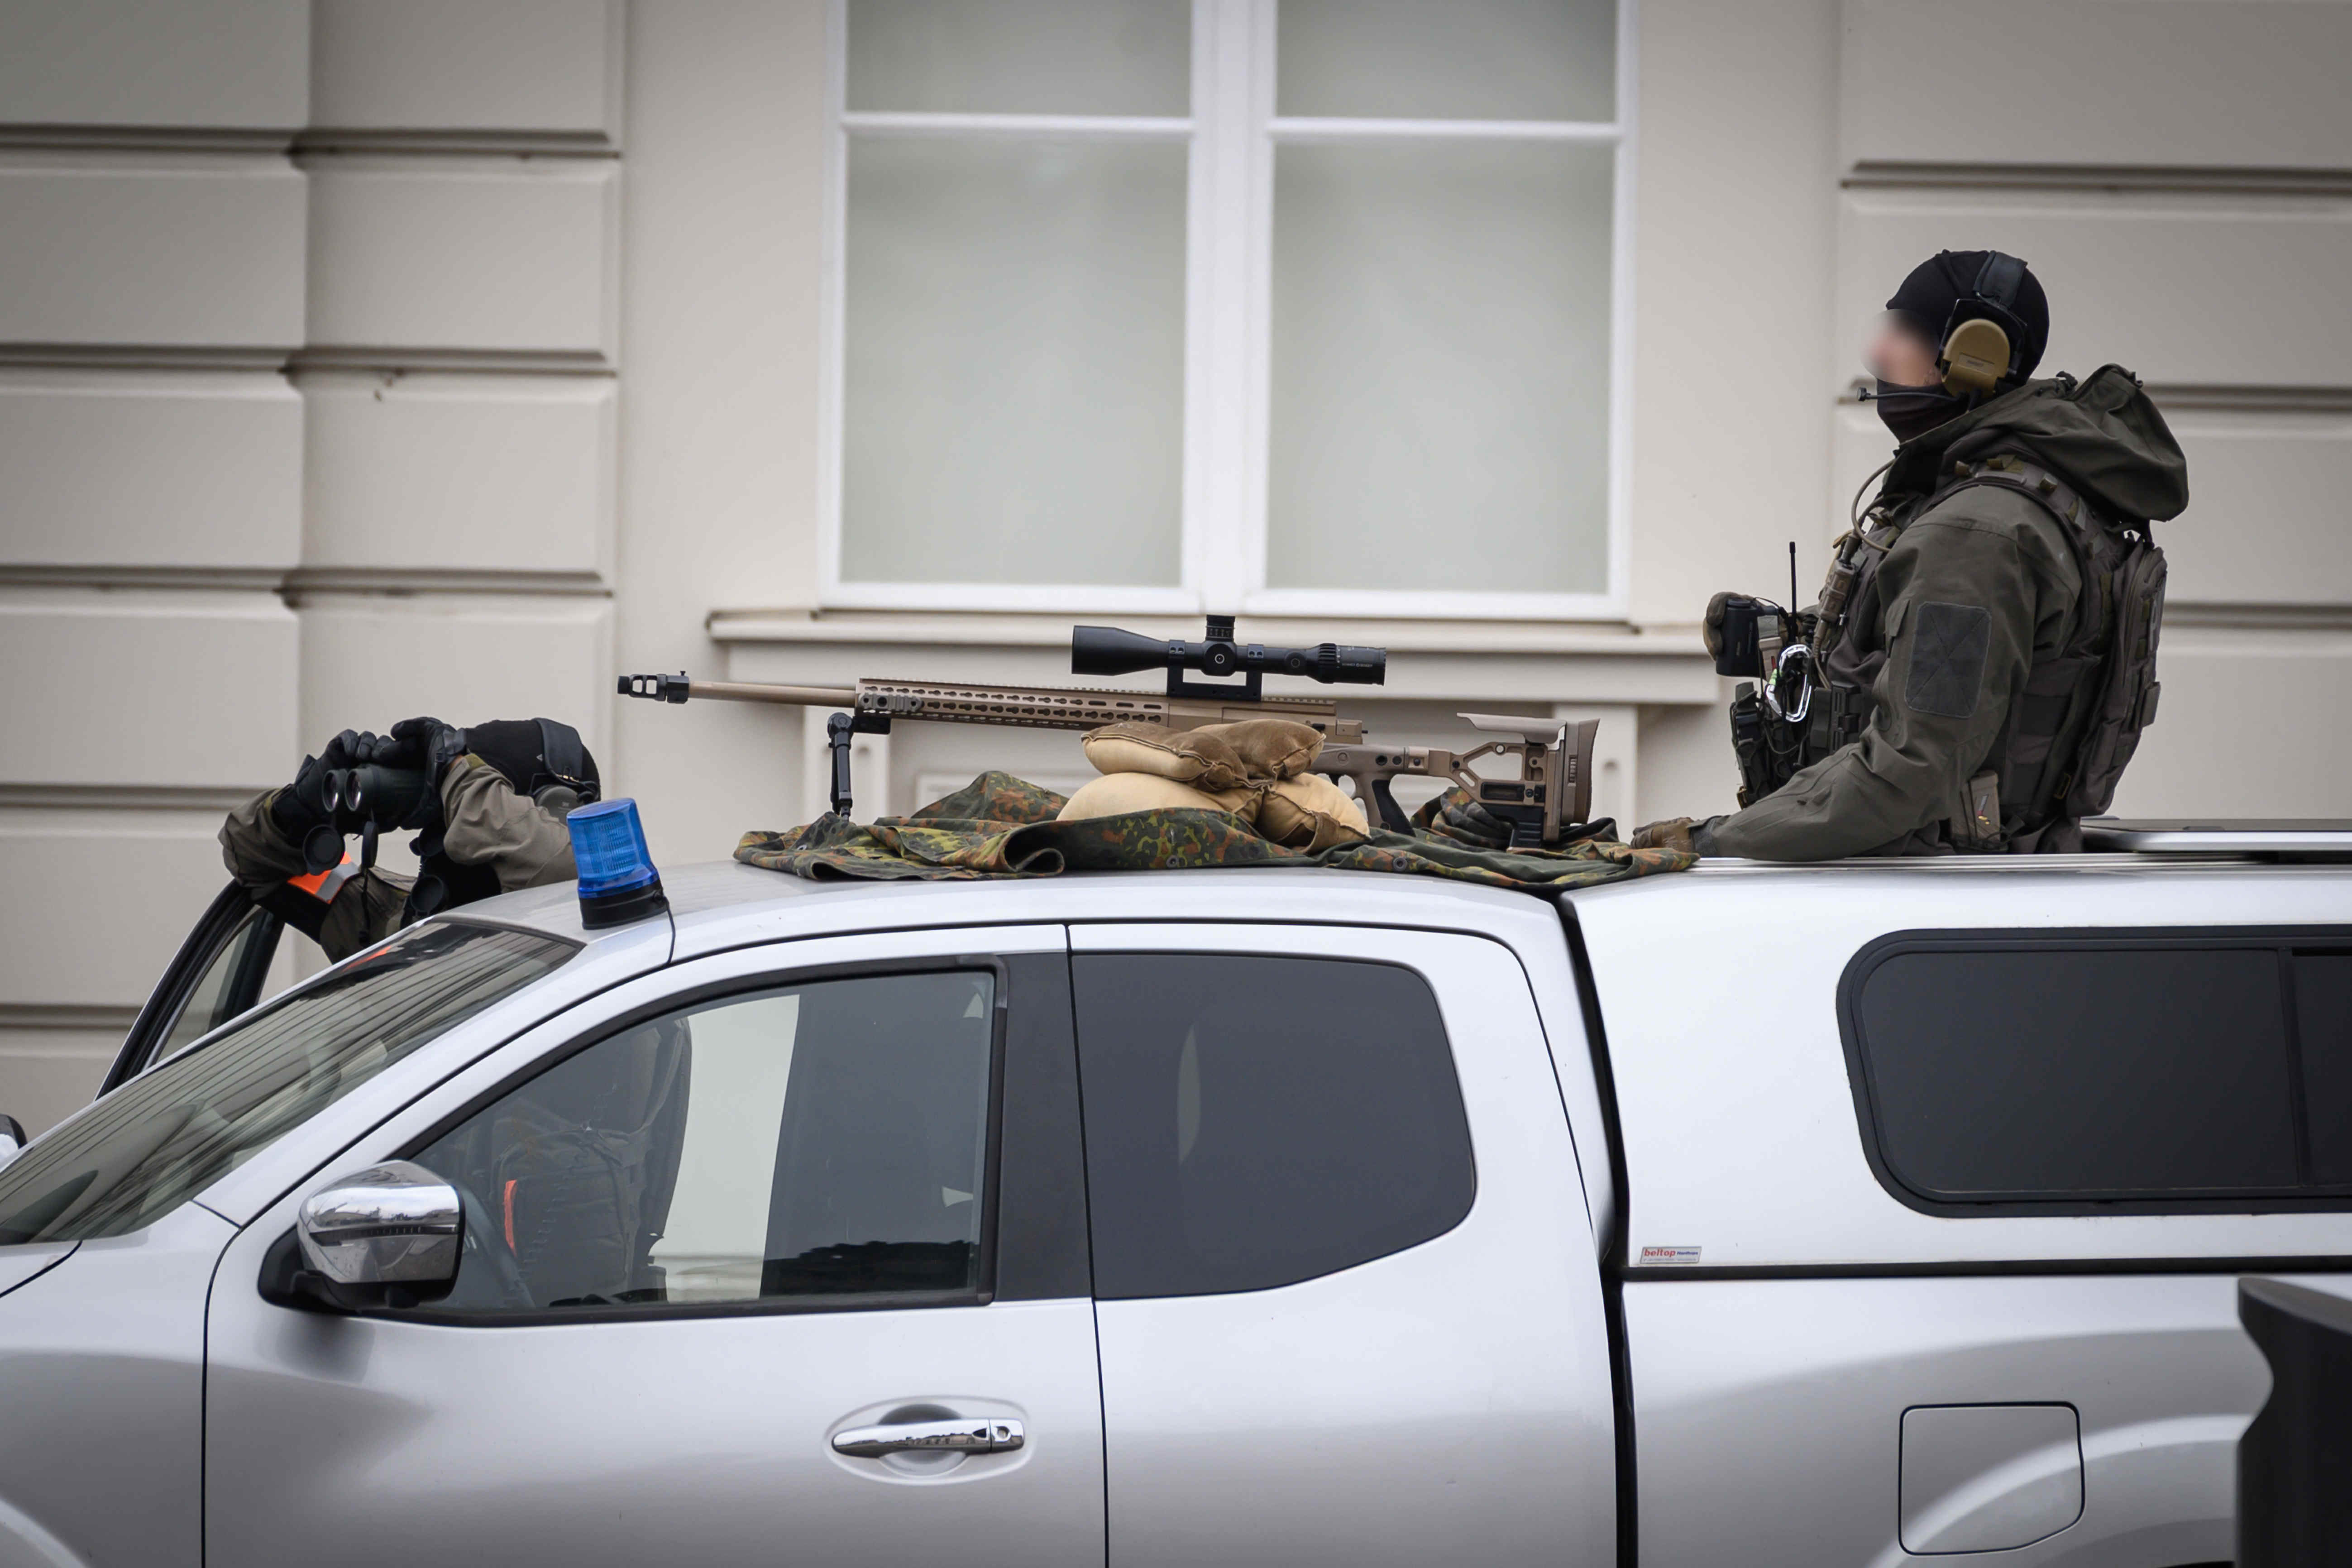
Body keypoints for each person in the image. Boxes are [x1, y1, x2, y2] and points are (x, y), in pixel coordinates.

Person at [1633, 249, 2188, 860]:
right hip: (1938, 884)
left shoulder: (1979, 537)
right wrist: (1787, 638)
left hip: (1926, 887)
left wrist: (1713, 843)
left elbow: (1909, 771)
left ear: (1973, 359)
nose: (1877, 355)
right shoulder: (1991, 499)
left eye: (1902, 332)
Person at [220, 717, 598, 961]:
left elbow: (567, 871)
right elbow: (250, 856)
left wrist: (456, 770)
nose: (449, 818)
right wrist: (302, 808)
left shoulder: (591, 938)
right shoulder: (394, 921)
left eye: (468, 794)